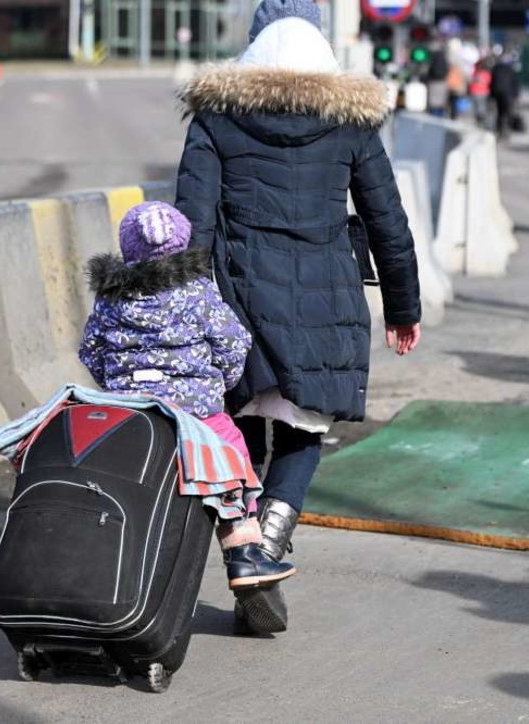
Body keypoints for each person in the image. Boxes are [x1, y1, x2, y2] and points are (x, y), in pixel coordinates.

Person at [174, 0, 422, 633]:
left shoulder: (215, 117)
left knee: (238, 427)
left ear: (252, 46)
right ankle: (268, 542)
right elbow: (386, 218)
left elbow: (192, 222)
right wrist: (402, 306)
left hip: (238, 295)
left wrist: (179, 303)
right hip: (326, 297)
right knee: (304, 429)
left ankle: (243, 538)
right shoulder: (350, 122)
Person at [79, 201, 297, 593]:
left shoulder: (110, 297)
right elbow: (233, 343)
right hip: (195, 411)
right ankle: (244, 556)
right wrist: (221, 386)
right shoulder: (197, 290)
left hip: (130, 412)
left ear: (126, 247)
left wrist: (116, 385)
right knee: (232, 459)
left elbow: (91, 351)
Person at [490, 51, 520, 140]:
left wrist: (491, 95)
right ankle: (506, 129)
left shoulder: (496, 69)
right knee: (507, 113)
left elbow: (492, 83)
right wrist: (516, 95)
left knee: (500, 113)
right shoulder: (510, 70)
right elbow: (515, 83)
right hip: (508, 95)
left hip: (498, 94)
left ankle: (500, 130)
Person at [426, 44, 450, 118]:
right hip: (442, 83)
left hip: (433, 83)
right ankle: (441, 116)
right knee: (441, 103)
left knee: (434, 103)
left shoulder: (433, 59)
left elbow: (430, 70)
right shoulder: (444, 59)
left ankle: (434, 117)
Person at [469, 58, 493, 128]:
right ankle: (480, 123)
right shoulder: (486, 74)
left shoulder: (477, 73)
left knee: (478, 109)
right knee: (480, 109)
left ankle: (479, 123)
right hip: (481, 93)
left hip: (477, 92)